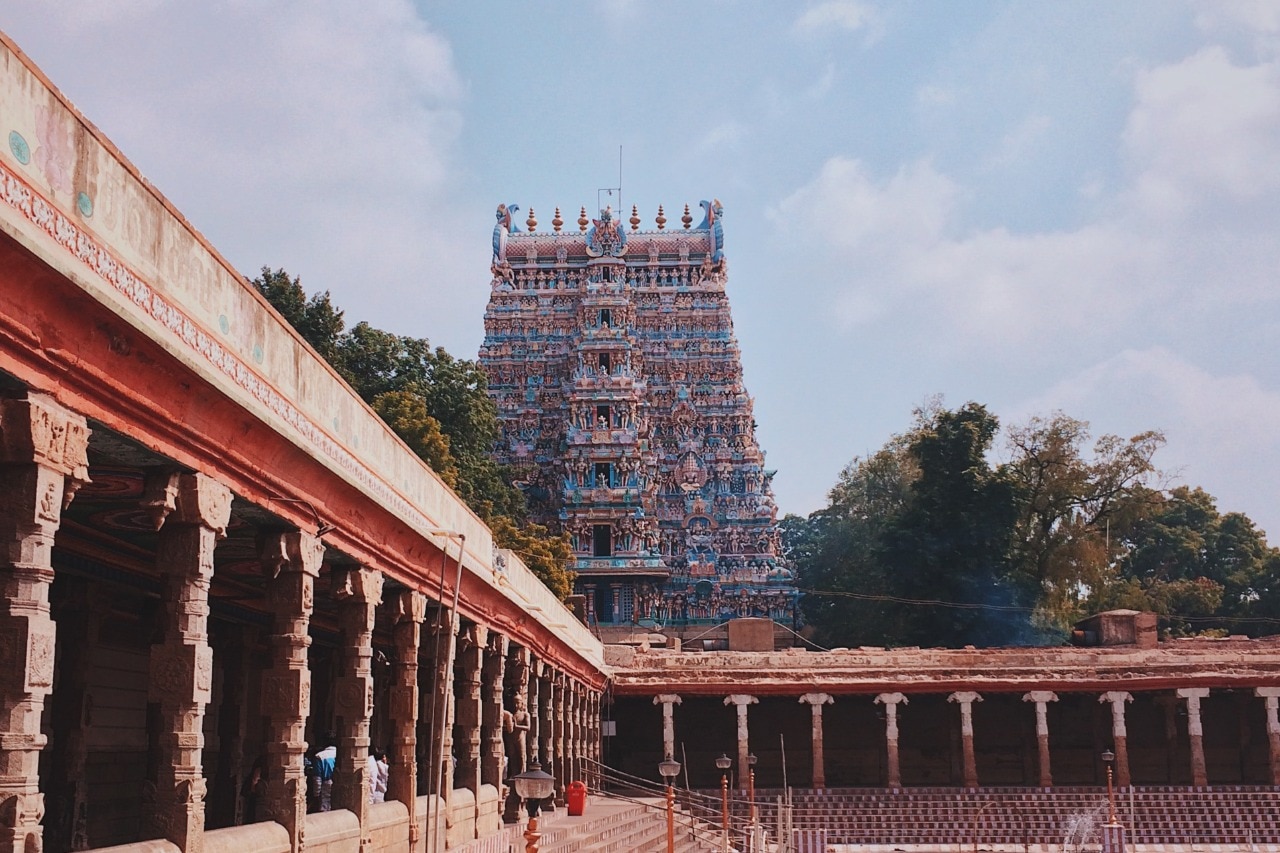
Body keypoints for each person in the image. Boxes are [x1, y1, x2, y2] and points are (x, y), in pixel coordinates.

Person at [311, 734, 337, 812]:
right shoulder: (341, 754)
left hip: (326, 784)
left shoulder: (319, 756)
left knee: (325, 808)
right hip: (339, 783)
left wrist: (316, 794)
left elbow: (317, 778)